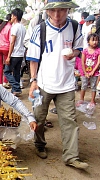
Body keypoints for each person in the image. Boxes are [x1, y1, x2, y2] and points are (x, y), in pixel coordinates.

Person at [26, 0, 89, 169]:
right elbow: (33, 58)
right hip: (44, 84)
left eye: (61, 10)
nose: (57, 15)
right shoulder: (40, 29)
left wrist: (73, 53)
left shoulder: (75, 27)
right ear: (47, 12)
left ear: (68, 10)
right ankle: (39, 145)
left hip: (67, 84)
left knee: (70, 121)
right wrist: (33, 81)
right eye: (53, 11)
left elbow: (79, 49)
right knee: (38, 117)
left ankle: (71, 156)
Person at [4, 8, 26, 96]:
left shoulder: (14, 27)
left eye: (12, 16)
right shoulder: (23, 28)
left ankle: (16, 87)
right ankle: (15, 91)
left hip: (14, 53)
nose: (11, 18)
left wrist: (9, 56)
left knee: (7, 71)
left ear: (15, 17)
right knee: (16, 72)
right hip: (21, 53)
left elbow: (12, 42)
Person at [76, 33, 100, 107]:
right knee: (84, 85)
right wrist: (85, 72)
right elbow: (82, 62)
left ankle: (92, 100)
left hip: (94, 72)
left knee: (93, 87)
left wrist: (93, 71)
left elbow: (99, 62)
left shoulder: (98, 51)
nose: (95, 42)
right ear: (88, 41)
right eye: (93, 40)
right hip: (84, 72)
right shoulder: (85, 51)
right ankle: (81, 99)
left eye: (96, 40)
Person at [0, 14, 12, 89]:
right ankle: (5, 82)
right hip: (6, 48)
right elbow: (11, 40)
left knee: (0, 65)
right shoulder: (10, 27)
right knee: (7, 65)